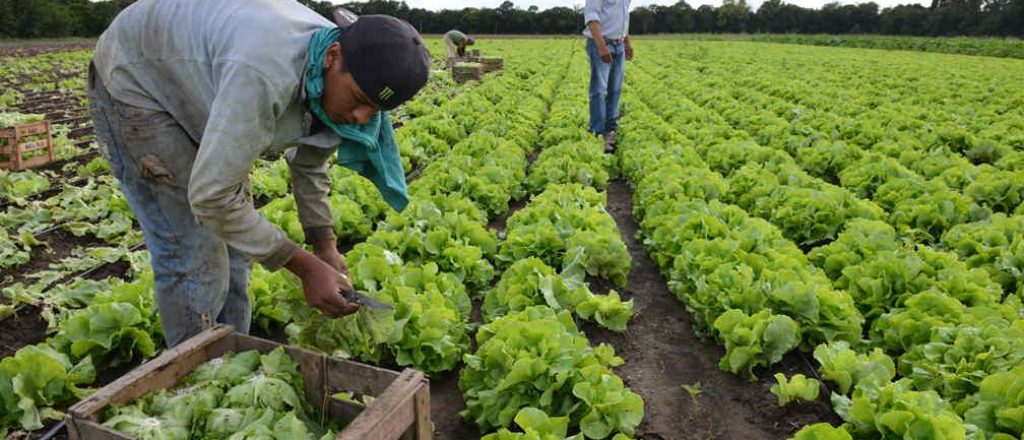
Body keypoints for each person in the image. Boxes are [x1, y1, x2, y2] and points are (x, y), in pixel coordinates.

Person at [87, 0, 432, 347]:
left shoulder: (339, 86)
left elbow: (309, 164)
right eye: (357, 99)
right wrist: (306, 268)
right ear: (332, 56)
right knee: (194, 251)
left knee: (238, 247)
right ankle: (192, 375)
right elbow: (212, 198)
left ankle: (233, 354)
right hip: (138, 76)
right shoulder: (265, 71)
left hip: (205, 74)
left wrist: (323, 245)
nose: (360, 117)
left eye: (374, 110)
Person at [583, 0, 634, 153]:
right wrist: (601, 46)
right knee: (599, 90)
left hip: (619, 45)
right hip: (602, 43)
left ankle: (610, 131)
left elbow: (622, 19)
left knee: (615, 90)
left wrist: (627, 43)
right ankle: (598, 133)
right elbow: (591, 17)